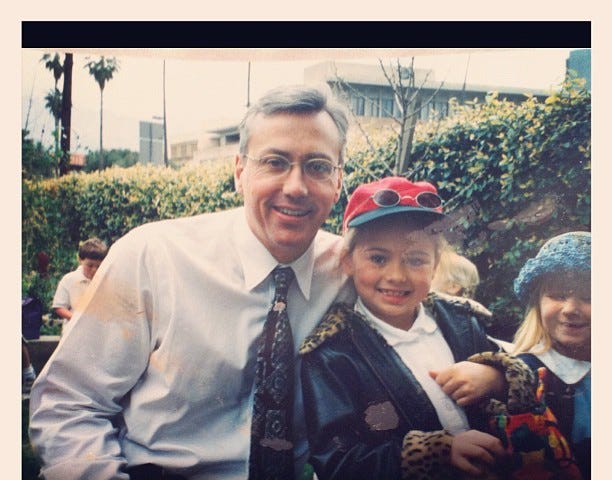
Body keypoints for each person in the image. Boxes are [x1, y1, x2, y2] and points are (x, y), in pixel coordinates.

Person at [29, 84, 355, 480]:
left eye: (318, 166)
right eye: (275, 162)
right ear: (240, 172)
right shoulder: (153, 257)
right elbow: (70, 402)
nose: (296, 186)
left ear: (338, 182)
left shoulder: (351, 271)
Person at [299, 176, 512, 479]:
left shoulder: (463, 322)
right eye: (378, 258)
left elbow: (524, 389)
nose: (397, 276)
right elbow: (339, 461)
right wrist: (434, 452)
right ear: (348, 261)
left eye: (415, 260)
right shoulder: (332, 355)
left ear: (435, 264)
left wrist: (496, 377)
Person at [510, 231, 591, 478]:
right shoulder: (522, 378)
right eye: (558, 295)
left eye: (589, 297)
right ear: (538, 302)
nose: (571, 309)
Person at [51, 237, 108, 322]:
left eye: (98, 266)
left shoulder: (106, 280)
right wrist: (76, 319)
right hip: (74, 330)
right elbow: (59, 307)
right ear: (80, 260)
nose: (94, 270)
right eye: (90, 265)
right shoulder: (69, 279)